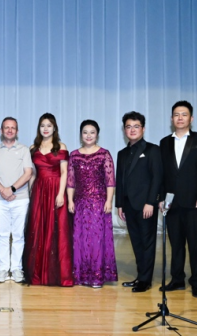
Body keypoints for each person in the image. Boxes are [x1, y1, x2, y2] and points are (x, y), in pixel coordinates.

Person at [158, 101, 197, 298]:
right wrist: (161, 198)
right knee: (176, 244)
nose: (180, 118)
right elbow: (162, 174)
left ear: (191, 118)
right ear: (171, 119)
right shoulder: (164, 142)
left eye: (184, 114)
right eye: (176, 115)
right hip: (172, 203)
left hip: (195, 202)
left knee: (196, 245)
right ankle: (177, 279)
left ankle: (196, 282)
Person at [23, 113, 74, 287]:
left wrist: (61, 194)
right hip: (39, 189)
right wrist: (30, 191)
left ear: (54, 128)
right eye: (42, 125)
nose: (45, 129)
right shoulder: (33, 148)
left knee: (57, 230)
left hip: (56, 188)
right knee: (38, 228)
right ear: (39, 128)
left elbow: (65, 172)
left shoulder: (61, 146)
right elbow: (32, 173)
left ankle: (59, 275)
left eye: (49, 125)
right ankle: (37, 274)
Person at [115, 111, 163, 293]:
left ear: (143, 128)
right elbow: (120, 180)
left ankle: (145, 280)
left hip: (146, 206)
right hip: (128, 206)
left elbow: (157, 178)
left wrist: (151, 202)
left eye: (136, 126)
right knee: (136, 242)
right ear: (124, 130)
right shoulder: (122, 153)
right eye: (128, 127)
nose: (132, 130)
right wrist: (120, 204)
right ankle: (140, 276)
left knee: (147, 242)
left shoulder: (152, 150)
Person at [67, 120, 117, 288]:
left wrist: (109, 200)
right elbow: (70, 181)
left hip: (98, 203)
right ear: (81, 135)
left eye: (92, 132)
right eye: (85, 132)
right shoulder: (74, 155)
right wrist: (70, 200)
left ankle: (96, 276)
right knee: (80, 239)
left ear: (97, 135)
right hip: (80, 203)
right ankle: (81, 275)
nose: (88, 135)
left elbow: (110, 181)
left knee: (96, 239)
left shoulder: (104, 154)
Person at [0, 117, 34, 283]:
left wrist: (11, 189)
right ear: (1, 131)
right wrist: (3, 190)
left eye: (12, 128)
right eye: (6, 127)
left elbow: (28, 173)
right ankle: (3, 269)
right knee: (2, 235)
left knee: (18, 235)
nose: (9, 130)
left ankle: (16, 269)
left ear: (17, 131)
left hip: (20, 199)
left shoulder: (24, 150)